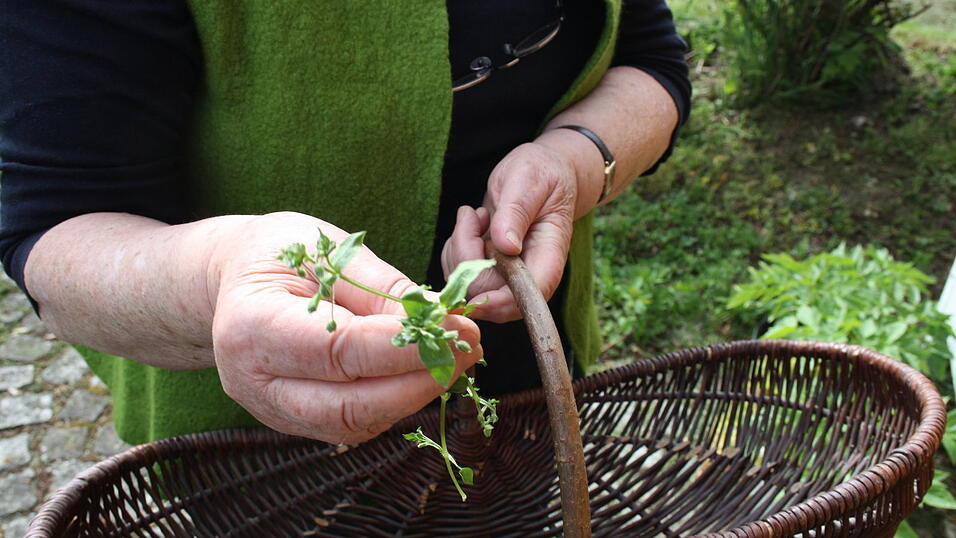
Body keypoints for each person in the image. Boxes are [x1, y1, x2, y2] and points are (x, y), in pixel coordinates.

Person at [0, 0, 690, 446]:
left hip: (528, 387)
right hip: (260, 461)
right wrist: (217, 275)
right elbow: (57, 229)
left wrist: (570, 163)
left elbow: (651, 60)